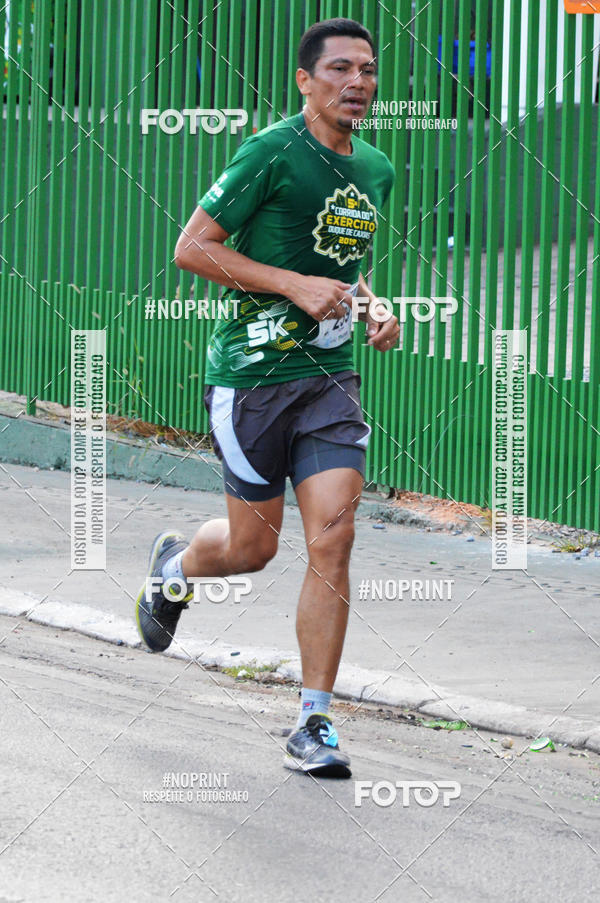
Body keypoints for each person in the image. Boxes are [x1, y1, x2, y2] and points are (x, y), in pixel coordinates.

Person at [136, 17, 398, 778]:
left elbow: (342, 268)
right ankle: (175, 568)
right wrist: (293, 286)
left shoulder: (375, 168)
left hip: (328, 380)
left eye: (369, 71)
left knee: (334, 538)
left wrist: (370, 305)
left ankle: (314, 723)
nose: (358, 82)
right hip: (251, 379)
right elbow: (192, 247)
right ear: (305, 80)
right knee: (254, 548)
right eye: (342, 69)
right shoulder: (272, 151)